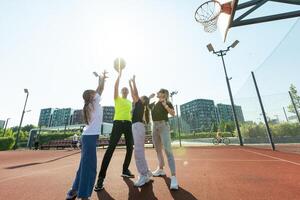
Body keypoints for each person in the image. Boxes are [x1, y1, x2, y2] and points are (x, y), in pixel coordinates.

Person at [65, 70, 107, 200]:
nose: (96, 93)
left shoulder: (91, 103)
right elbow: (100, 89)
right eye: (93, 93)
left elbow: (99, 89)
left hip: (89, 137)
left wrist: (102, 79)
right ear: (91, 96)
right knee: (89, 167)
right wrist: (101, 79)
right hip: (89, 138)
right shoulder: (92, 103)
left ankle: (73, 191)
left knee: (84, 165)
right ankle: (83, 195)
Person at [94, 68, 134, 191]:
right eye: (123, 89)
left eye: (126, 89)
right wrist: (119, 75)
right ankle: (101, 178)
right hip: (117, 124)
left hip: (128, 124)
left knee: (130, 147)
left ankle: (125, 169)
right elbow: (116, 86)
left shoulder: (129, 102)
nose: (125, 90)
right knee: (110, 149)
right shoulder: (117, 98)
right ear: (121, 92)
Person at [149, 89, 179, 190]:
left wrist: (165, 104)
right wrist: (149, 98)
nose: (157, 92)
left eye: (160, 92)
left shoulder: (167, 102)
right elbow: (146, 107)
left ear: (164, 94)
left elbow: (173, 113)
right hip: (154, 127)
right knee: (158, 150)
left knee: (168, 151)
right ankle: (161, 169)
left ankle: (174, 177)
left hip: (163, 126)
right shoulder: (154, 103)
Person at [129, 75, 152, 187]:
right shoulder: (140, 106)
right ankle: (146, 173)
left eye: (140, 97)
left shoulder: (140, 104)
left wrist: (133, 82)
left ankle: (143, 175)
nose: (137, 97)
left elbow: (135, 93)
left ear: (142, 100)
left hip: (137, 127)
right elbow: (134, 94)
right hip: (139, 127)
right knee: (140, 151)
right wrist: (130, 83)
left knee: (138, 152)